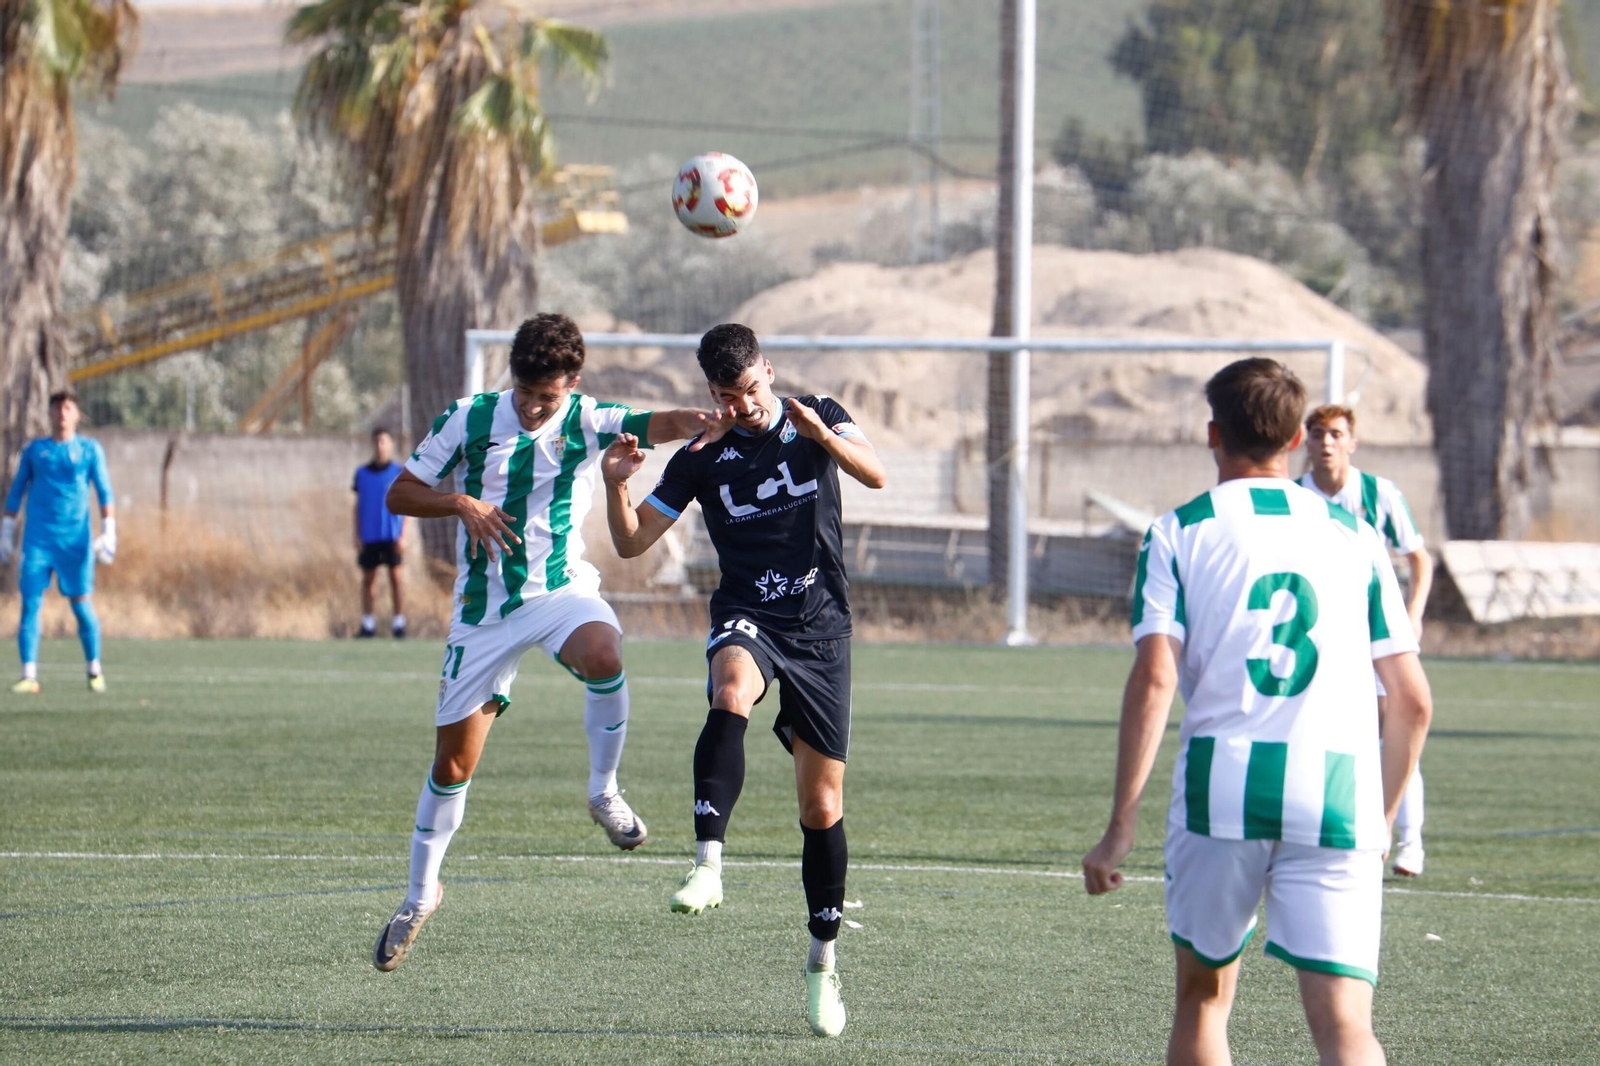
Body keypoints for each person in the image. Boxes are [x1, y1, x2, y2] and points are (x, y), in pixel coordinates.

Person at [1081, 359, 1433, 1066]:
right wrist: (1384, 818)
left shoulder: (1179, 532)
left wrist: (1121, 825)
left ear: (1213, 434)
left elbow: (1155, 678)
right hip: (1337, 796)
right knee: (1345, 1027)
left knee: (1204, 1003)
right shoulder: (1355, 536)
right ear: (1299, 436)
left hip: (1223, 788)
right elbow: (1413, 702)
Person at [369, 313, 722, 973]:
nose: (534, 409)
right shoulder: (469, 416)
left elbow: (658, 423)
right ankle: (420, 896)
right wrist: (459, 504)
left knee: (605, 656)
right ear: (512, 380)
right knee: (452, 768)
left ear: (573, 385)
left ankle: (603, 791)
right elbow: (400, 492)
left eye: (548, 399)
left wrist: (712, 419)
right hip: (482, 616)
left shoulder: (586, 417)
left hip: (560, 593)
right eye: (527, 394)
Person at [600, 323, 887, 1039]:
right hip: (747, 612)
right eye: (732, 395)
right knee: (730, 689)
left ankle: (823, 963)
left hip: (822, 627)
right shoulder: (702, 457)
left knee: (821, 809)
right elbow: (634, 541)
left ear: (768, 369)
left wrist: (824, 437)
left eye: (754, 388)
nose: (749, 404)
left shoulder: (815, 412)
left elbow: (875, 474)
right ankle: (708, 865)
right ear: (713, 393)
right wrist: (617, 485)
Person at [1298, 405, 1433, 876]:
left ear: (1352, 442)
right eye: (1317, 434)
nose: (1327, 442)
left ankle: (1409, 843)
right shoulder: (1296, 498)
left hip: (1375, 631)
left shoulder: (1379, 494)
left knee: (1397, 724)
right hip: (1322, 634)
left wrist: (1411, 615)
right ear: (1304, 441)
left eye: (1336, 434)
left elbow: (1419, 559)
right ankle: (1320, 831)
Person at [2, 391, 117, 694]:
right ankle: (29, 675)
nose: (61, 414)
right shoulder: (35, 451)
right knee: (30, 604)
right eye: (56, 408)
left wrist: (109, 530)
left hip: (75, 544)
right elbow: (16, 493)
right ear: (49, 414)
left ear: (77, 414)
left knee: (81, 607)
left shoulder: (89, 450)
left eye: (67, 408)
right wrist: (6, 531)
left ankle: (94, 670)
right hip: (38, 543)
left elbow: (104, 491)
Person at [353, 426, 408, 638]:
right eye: (376, 441)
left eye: (383, 441)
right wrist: (356, 533)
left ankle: (399, 623)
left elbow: (406, 507)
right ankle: (368, 624)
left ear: (390, 444)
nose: (380, 446)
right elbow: (357, 505)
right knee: (368, 579)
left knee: (396, 578)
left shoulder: (398, 472)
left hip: (391, 535)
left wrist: (403, 535)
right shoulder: (362, 473)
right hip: (370, 534)